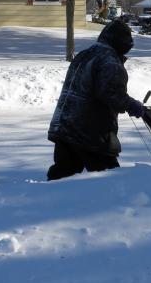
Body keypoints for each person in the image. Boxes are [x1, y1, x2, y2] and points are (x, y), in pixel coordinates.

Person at [47, 20, 145, 180]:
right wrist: (130, 104)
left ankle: (48, 200)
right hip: (89, 131)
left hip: (65, 125)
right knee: (109, 178)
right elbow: (109, 92)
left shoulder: (85, 54)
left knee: (63, 175)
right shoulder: (109, 60)